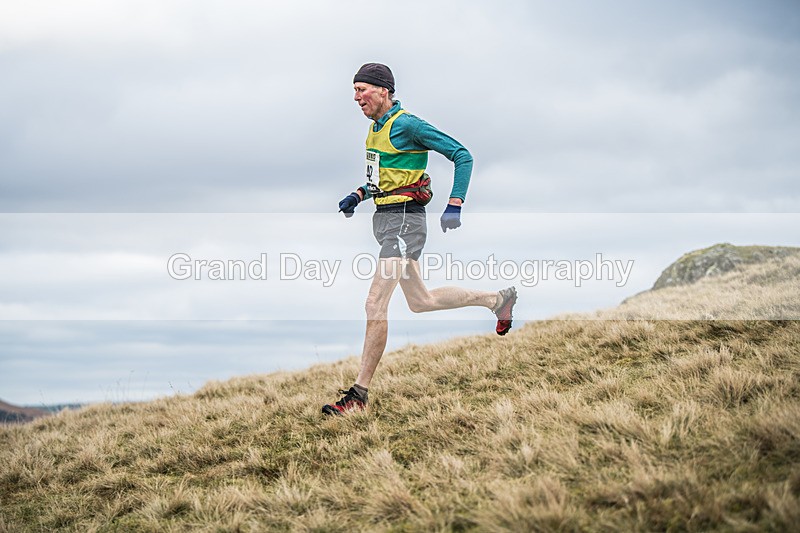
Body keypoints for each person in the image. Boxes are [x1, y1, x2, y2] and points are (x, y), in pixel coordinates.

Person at [322, 63, 517, 416]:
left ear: (384, 90)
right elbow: (384, 178)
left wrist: (455, 202)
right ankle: (497, 300)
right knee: (421, 301)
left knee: (374, 304)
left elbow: (462, 155)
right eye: (354, 90)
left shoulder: (408, 124)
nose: (356, 97)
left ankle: (358, 396)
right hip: (385, 219)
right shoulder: (375, 130)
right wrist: (359, 194)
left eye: (362, 89)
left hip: (405, 221)